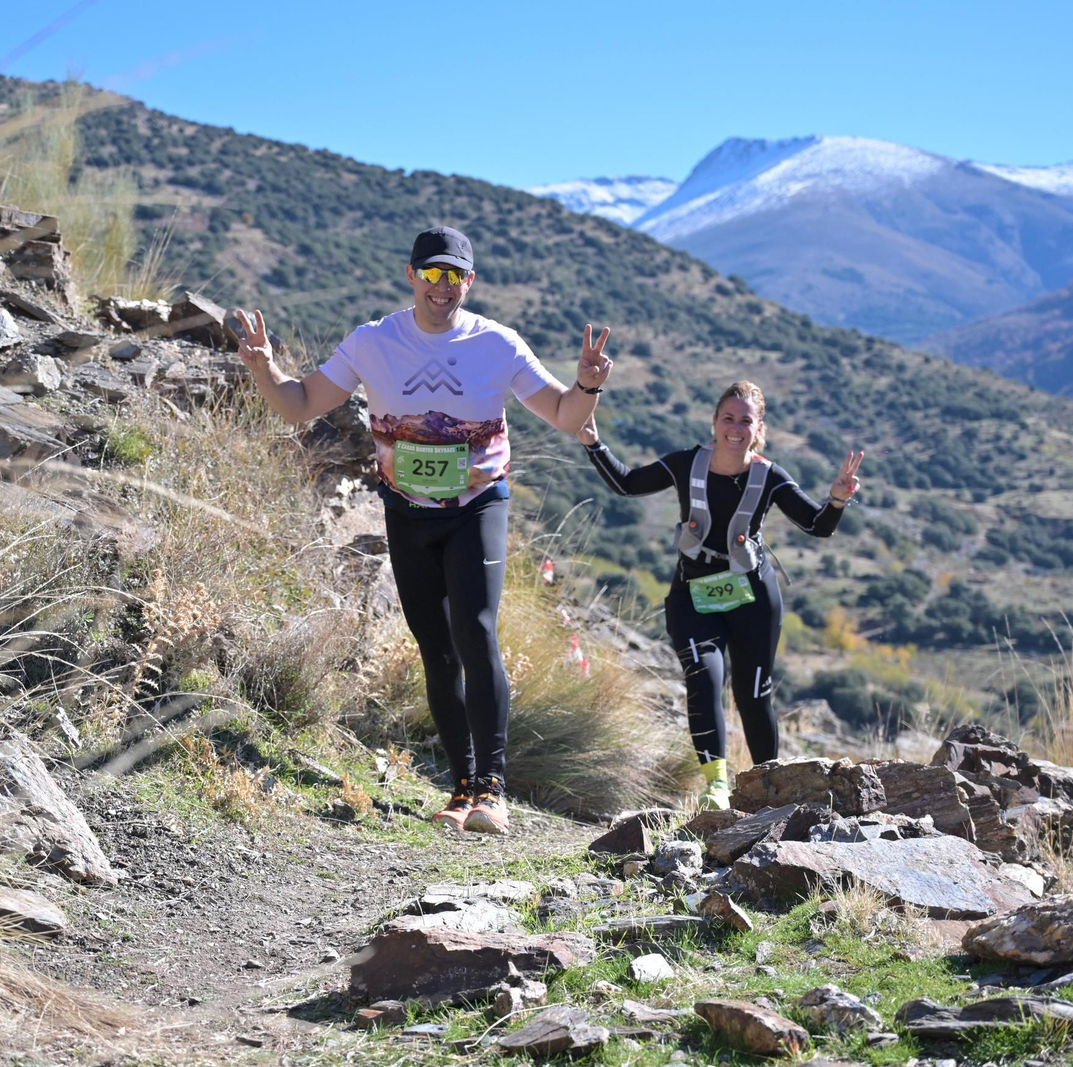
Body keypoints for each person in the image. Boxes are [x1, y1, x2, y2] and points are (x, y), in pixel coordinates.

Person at [233, 226, 613, 834]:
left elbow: (567, 415)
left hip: (477, 506)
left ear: (470, 280)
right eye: (431, 274)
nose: (443, 287)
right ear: (411, 276)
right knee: (435, 649)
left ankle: (492, 787)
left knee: (475, 630)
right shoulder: (373, 342)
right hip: (407, 512)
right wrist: (264, 367)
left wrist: (589, 382)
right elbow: (301, 403)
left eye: (454, 275)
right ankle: (461, 789)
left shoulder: (499, 344)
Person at [577, 381, 862, 810]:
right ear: (714, 422)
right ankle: (715, 787)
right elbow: (628, 484)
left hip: (753, 599)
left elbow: (816, 525)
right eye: (728, 418)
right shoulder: (686, 464)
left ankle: (770, 789)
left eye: (745, 420)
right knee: (704, 679)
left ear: (758, 428)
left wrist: (837, 500)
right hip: (694, 594)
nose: (735, 428)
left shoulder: (770, 476)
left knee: (753, 696)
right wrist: (593, 441)